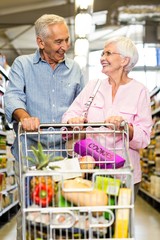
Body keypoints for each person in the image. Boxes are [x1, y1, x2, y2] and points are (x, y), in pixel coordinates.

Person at [3, 14, 85, 240]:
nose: (65, 46)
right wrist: (25, 116)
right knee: (31, 212)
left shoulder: (75, 69)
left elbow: (84, 104)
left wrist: (80, 120)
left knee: (66, 210)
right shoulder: (23, 64)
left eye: (67, 40)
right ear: (41, 42)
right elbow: (13, 97)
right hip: (31, 153)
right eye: (58, 42)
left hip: (65, 153)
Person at [62, 36, 153, 200]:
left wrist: (126, 127)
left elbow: (144, 137)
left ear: (125, 60)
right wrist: (72, 121)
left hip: (124, 174)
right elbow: (70, 114)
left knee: (120, 223)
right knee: (91, 220)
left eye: (108, 53)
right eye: (103, 53)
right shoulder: (93, 86)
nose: (102, 58)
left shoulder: (139, 91)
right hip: (91, 171)